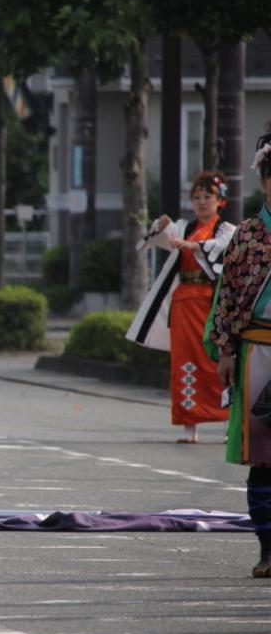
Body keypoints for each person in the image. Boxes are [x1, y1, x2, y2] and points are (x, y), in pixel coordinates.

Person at [128, 170, 236, 443]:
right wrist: (161, 226)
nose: (202, 202)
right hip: (184, 303)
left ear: (219, 200)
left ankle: (227, 424)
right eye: (197, 197)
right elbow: (158, 238)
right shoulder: (184, 227)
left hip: (212, 304)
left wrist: (191, 245)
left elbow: (218, 248)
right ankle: (190, 427)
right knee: (185, 363)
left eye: (207, 197)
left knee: (217, 362)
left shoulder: (226, 229)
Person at [208, 128, 271, 578]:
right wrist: (226, 351)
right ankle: (269, 549)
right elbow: (226, 298)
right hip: (257, 353)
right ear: (264, 181)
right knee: (264, 457)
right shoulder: (246, 236)